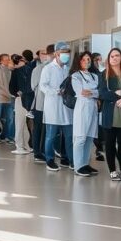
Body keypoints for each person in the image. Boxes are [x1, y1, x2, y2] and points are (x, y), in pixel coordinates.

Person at [99, 48, 121, 181]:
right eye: (112, 56)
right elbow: (102, 94)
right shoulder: (104, 74)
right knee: (110, 144)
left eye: (117, 55)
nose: (114, 58)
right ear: (108, 59)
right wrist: (117, 94)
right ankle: (113, 171)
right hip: (110, 115)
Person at [40, 41, 74, 172]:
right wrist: (56, 92)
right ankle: (49, 160)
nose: (66, 55)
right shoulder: (48, 68)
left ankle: (71, 160)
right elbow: (43, 86)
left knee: (69, 136)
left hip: (66, 108)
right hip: (53, 107)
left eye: (67, 53)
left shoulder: (67, 69)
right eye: (63, 52)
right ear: (56, 53)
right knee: (51, 136)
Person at [70, 51, 100, 177]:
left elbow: (99, 92)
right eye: (84, 59)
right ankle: (78, 166)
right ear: (79, 61)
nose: (87, 62)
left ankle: (85, 164)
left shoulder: (95, 76)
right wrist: (94, 93)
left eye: (89, 59)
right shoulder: (76, 76)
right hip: (82, 108)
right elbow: (81, 92)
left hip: (93, 108)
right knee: (80, 137)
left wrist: (91, 93)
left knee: (89, 137)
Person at [10, 51, 35, 155]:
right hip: (30, 100)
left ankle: (20, 146)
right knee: (23, 124)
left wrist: (17, 93)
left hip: (20, 99)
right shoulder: (32, 69)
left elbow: (12, 88)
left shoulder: (16, 72)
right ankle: (26, 146)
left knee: (19, 123)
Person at [30, 45, 52, 162]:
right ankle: (38, 152)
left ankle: (44, 151)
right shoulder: (39, 69)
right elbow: (34, 86)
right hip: (40, 104)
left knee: (48, 129)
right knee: (39, 128)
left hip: (51, 104)